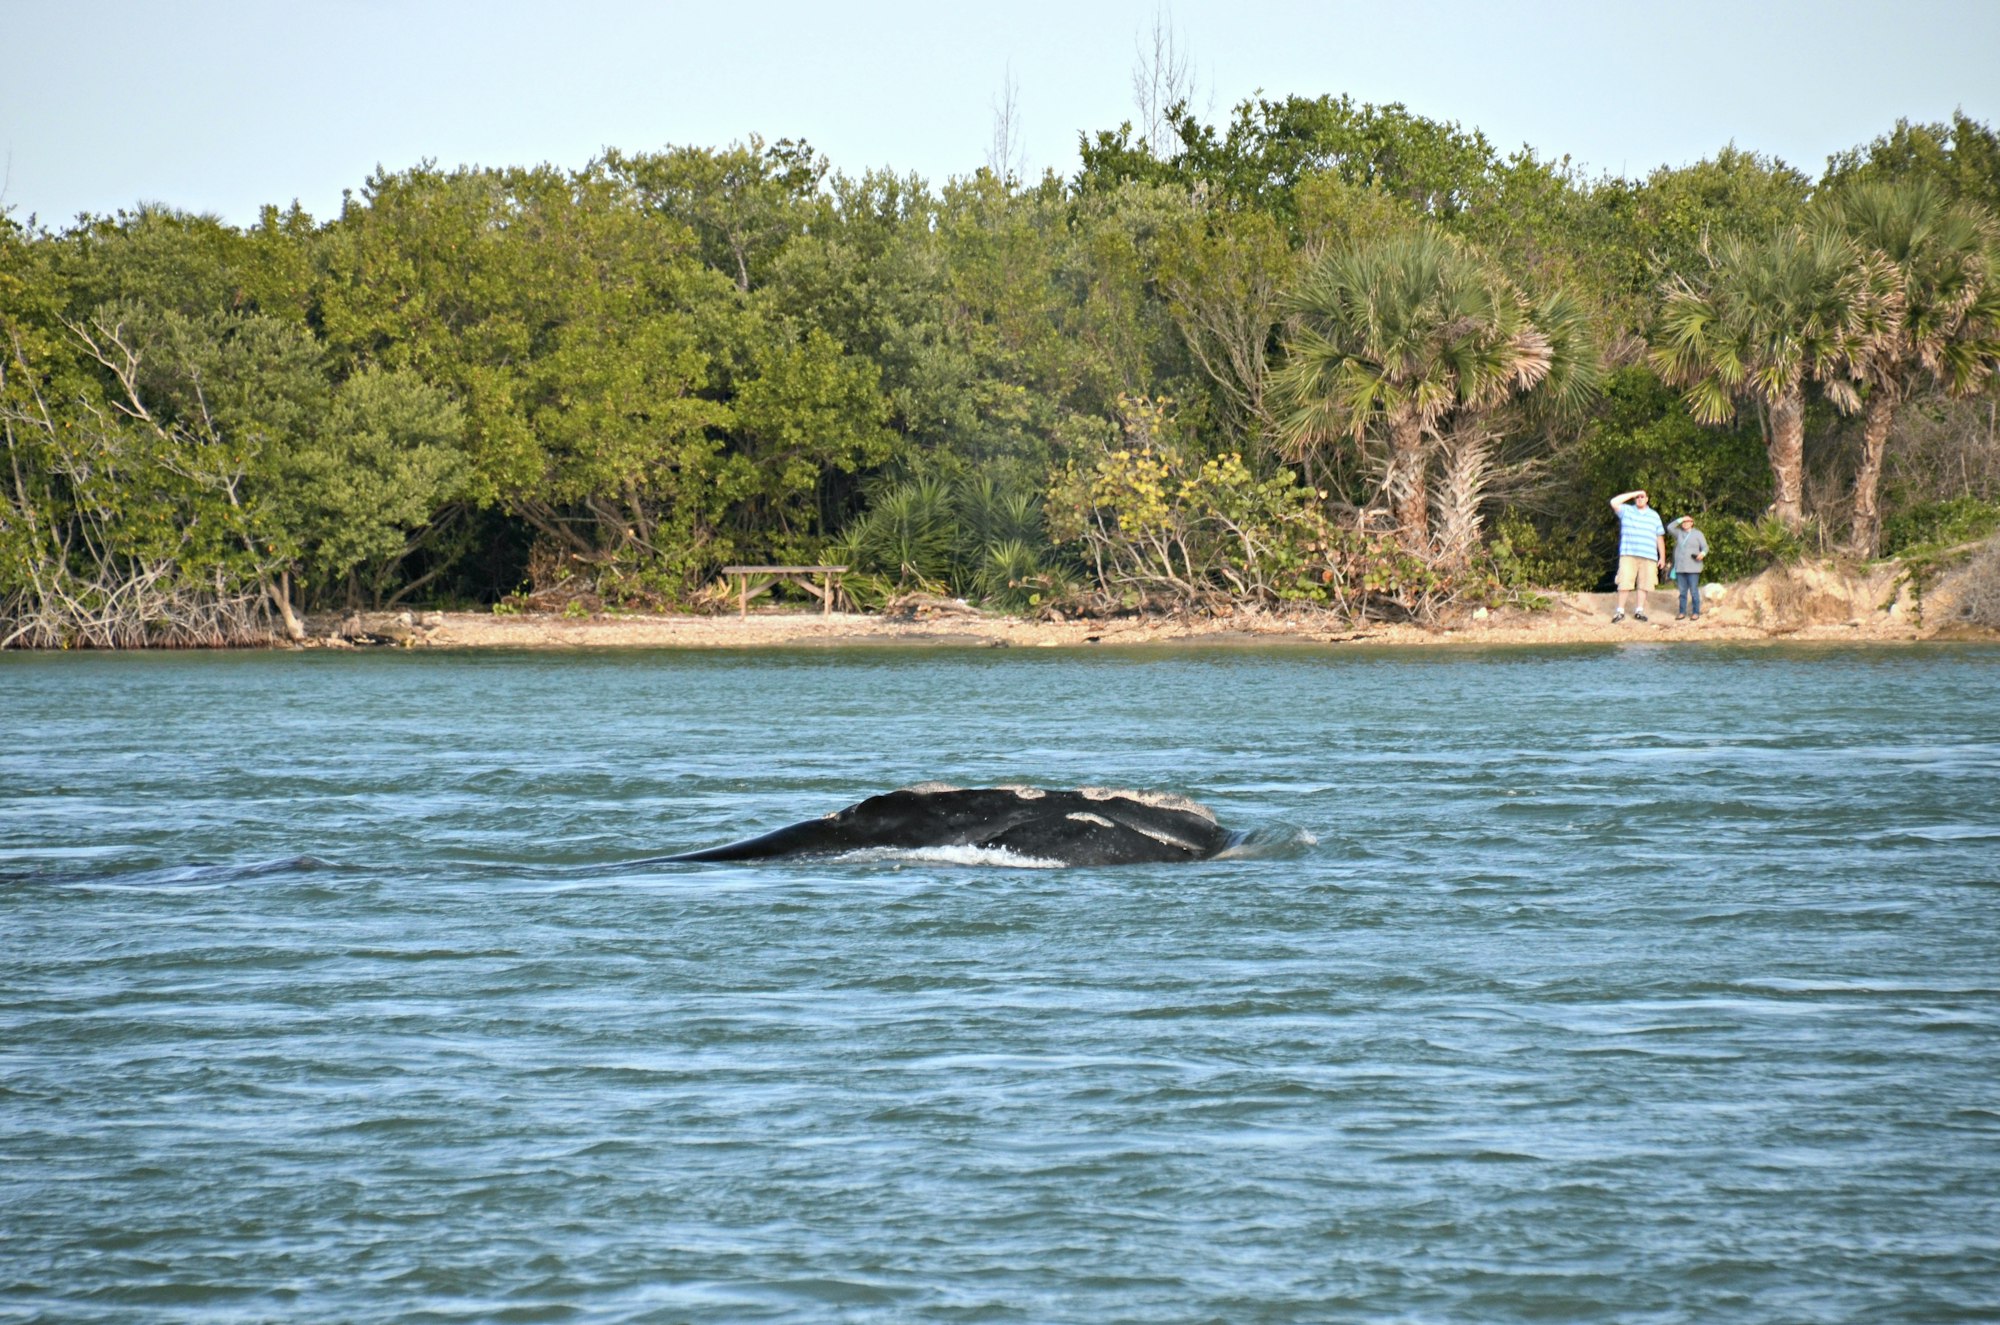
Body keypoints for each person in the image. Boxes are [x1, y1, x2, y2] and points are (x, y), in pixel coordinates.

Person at [1608, 489, 1668, 622]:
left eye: (1642, 497)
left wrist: (1662, 557)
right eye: (1638, 497)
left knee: (1644, 584)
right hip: (1629, 554)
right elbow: (1613, 502)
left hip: (1649, 556)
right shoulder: (1627, 511)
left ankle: (1639, 611)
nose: (1640, 499)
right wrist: (1633, 493)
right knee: (1624, 582)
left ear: (1647, 499)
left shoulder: (1654, 515)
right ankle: (1620, 611)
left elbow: (1659, 537)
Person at [1667, 514, 1709, 620]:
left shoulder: (1698, 534)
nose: (1685, 523)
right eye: (1684, 522)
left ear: (1692, 523)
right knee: (1682, 592)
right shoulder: (1679, 533)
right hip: (1680, 567)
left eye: (1688, 521)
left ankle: (1696, 612)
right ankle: (1682, 612)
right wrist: (1680, 518)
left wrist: (1702, 554)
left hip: (1693, 567)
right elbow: (1669, 527)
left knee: (1694, 591)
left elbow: (1705, 547)